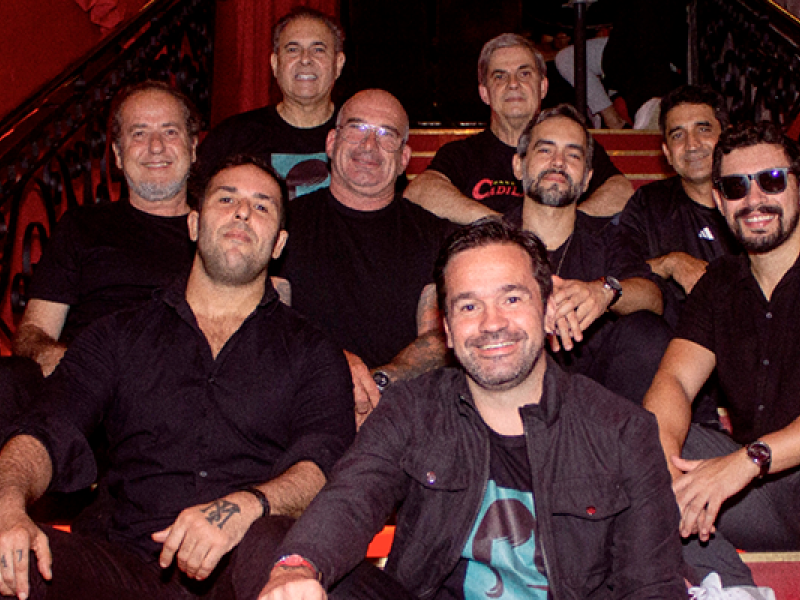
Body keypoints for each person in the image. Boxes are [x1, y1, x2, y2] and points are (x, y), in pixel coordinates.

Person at [259, 219, 686, 600]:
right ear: (445, 327)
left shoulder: (622, 430)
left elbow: (650, 586)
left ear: (549, 308)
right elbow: (352, 500)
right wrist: (296, 567)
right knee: (275, 547)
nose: (491, 323)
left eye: (512, 299)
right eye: (468, 306)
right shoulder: (413, 409)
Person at [0, 155, 355, 600]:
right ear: (192, 225)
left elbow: (324, 465)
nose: (243, 212)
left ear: (278, 243)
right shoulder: (118, 335)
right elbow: (48, 428)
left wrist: (249, 506)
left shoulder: (313, 350)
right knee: (12, 559)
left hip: (248, 571)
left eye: (261, 205)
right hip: (123, 568)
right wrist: (7, 503)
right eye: (226, 199)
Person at [643, 121, 800, 589]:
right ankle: (736, 593)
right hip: (768, 496)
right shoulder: (721, 282)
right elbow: (673, 382)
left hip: (760, 467)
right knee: (643, 446)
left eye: (771, 180)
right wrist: (665, 464)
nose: (754, 200)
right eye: (735, 186)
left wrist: (748, 459)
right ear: (718, 201)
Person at [274, 89, 453, 427]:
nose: (369, 146)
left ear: (404, 158)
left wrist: (380, 381)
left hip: (402, 417)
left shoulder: (433, 234)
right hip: (302, 413)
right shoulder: (285, 224)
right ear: (331, 142)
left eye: (387, 135)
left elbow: (437, 338)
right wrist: (336, 367)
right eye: (357, 129)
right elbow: (271, 325)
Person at [12, 80, 198, 378]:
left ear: (193, 148)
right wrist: (64, 360)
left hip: (175, 387)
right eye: (139, 134)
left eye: (170, 131)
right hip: (86, 383)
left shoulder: (219, 233)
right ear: (117, 155)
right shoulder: (81, 226)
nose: (156, 147)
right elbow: (34, 331)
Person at [507, 104, 670, 404]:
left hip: (597, 400)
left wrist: (604, 292)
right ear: (519, 166)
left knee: (648, 331)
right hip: (510, 389)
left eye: (573, 155)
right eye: (545, 150)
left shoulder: (607, 238)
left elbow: (652, 297)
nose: (558, 162)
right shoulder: (489, 243)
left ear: (586, 178)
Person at [403, 33, 633, 224]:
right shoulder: (461, 154)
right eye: (500, 76)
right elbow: (419, 191)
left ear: (543, 87)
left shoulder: (571, 148)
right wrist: (504, 226)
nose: (513, 84)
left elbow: (621, 190)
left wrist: (565, 224)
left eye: (524, 74)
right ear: (484, 92)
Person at [611, 85, 739, 329]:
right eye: (678, 135)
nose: (692, 145)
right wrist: (670, 263)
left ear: (727, 138)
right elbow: (619, 277)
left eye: (703, 130)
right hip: (676, 341)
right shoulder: (649, 204)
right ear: (667, 152)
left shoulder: (756, 197)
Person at [196, 7, 345, 199]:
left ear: (338, 64)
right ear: (275, 64)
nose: (306, 59)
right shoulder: (231, 139)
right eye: (292, 49)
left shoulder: (360, 137)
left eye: (318, 50)